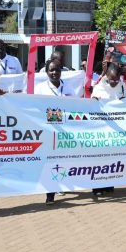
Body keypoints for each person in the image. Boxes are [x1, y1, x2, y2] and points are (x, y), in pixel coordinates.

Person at [35, 59, 74, 204]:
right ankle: (49, 194)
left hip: (65, 131)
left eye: (57, 69)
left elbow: (75, 105)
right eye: (51, 70)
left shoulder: (68, 86)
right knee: (50, 162)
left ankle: (59, 184)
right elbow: (35, 107)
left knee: (62, 161)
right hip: (48, 131)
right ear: (46, 72)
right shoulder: (40, 88)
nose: (54, 72)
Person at [91, 63, 126, 196]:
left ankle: (108, 183)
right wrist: (94, 100)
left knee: (112, 157)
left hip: (116, 129)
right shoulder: (99, 87)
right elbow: (92, 105)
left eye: (116, 79)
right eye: (111, 79)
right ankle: (97, 186)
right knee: (99, 158)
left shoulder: (122, 86)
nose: (114, 82)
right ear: (106, 76)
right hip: (101, 128)